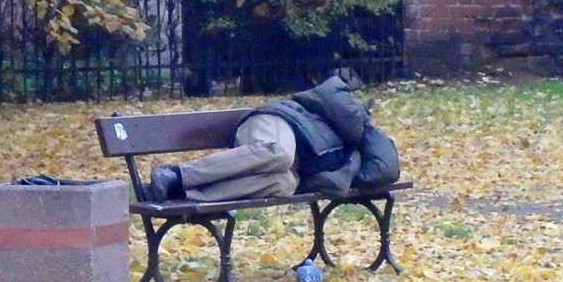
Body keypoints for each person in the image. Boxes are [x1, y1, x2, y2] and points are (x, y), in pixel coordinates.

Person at [148, 75, 398, 202]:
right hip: (279, 123)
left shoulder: (351, 160)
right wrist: (365, 128)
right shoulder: (349, 113)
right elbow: (328, 91)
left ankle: (181, 194)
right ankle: (177, 174)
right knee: (280, 153)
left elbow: (379, 172)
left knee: (284, 185)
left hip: (293, 166)